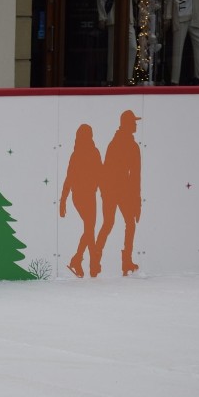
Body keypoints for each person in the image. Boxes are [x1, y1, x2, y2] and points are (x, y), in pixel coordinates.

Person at [95, 110, 142, 276]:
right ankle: (125, 261)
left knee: (110, 223)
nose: (136, 124)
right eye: (134, 122)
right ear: (127, 124)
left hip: (111, 190)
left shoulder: (114, 142)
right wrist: (136, 200)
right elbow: (135, 175)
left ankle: (96, 259)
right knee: (127, 223)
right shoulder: (129, 145)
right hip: (119, 190)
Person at [60, 124, 102, 278]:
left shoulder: (93, 152)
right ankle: (92, 264)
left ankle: (78, 260)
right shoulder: (77, 154)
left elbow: (100, 174)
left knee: (89, 229)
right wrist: (63, 200)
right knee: (90, 228)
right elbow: (69, 178)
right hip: (79, 196)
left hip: (89, 195)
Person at [165, 0, 199, 85]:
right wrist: (168, 15)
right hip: (181, 16)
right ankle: (174, 80)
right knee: (177, 49)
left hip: (197, 16)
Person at [96, 0, 136, 83]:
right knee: (113, 52)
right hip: (114, 17)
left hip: (128, 19)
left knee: (132, 47)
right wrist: (102, 16)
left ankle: (128, 77)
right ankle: (111, 79)